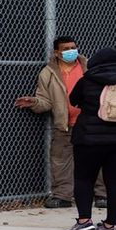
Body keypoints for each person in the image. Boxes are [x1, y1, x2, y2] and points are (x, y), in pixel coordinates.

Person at [15, 36, 107, 209]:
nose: (71, 51)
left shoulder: (90, 67)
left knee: (97, 158)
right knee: (60, 160)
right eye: (65, 49)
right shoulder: (47, 73)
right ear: (57, 53)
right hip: (65, 124)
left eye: (73, 47)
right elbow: (46, 101)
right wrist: (34, 102)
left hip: (92, 123)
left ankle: (101, 195)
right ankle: (63, 196)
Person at [66, 48, 116, 230]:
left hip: (90, 138)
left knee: (84, 178)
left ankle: (84, 220)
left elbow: (73, 100)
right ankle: (111, 225)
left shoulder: (88, 80)